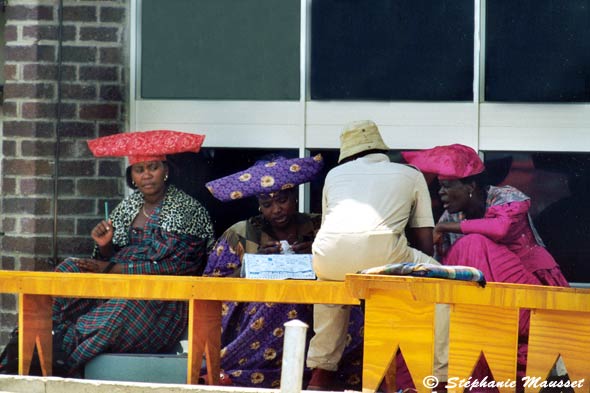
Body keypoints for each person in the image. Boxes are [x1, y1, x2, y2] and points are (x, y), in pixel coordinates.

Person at [402, 143, 569, 388]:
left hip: (531, 290)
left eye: (448, 187)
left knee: (474, 243)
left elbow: (499, 229)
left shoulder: (506, 196)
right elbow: (446, 265)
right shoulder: (451, 217)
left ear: (471, 186)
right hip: (489, 295)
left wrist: (443, 228)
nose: (441, 194)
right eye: (439, 187)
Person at [50, 130, 214, 377]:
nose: (146, 175)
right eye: (139, 169)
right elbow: (105, 260)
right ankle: (40, 332)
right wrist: (105, 246)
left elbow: (177, 266)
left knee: (121, 309)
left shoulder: (186, 208)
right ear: (132, 176)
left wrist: (112, 269)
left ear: (166, 170)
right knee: (68, 269)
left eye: (153, 167)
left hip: (162, 300)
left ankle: (57, 356)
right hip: (119, 287)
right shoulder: (129, 205)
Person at [203, 155, 364, 389]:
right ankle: (244, 370)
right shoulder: (240, 233)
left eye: (283, 200)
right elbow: (211, 285)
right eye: (267, 204)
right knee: (278, 303)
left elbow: (352, 266)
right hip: (260, 312)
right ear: (258, 204)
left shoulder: (322, 228)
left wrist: (320, 252)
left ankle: (323, 373)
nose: (276, 210)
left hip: (318, 309)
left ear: (296, 196)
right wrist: (253, 265)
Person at [306, 120, 439, 390]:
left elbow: (333, 229)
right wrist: (414, 272)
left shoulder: (334, 175)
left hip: (327, 257)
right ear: (381, 149)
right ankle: (441, 377)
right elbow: (425, 241)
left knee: (330, 286)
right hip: (383, 258)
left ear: (349, 153)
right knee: (445, 285)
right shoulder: (410, 174)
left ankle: (321, 373)